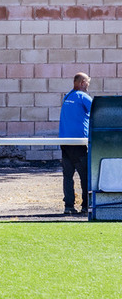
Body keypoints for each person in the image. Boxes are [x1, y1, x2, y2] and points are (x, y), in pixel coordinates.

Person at [58, 72, 92, 215]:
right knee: (85, 175)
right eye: (88, 83)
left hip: (64, 142)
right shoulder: (83, 97)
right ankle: (86, 206)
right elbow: (99, 112)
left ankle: (69, 206)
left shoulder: (67, 97)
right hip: (78, 142)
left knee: (68, 175)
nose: (88, 86)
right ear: (83, 82)